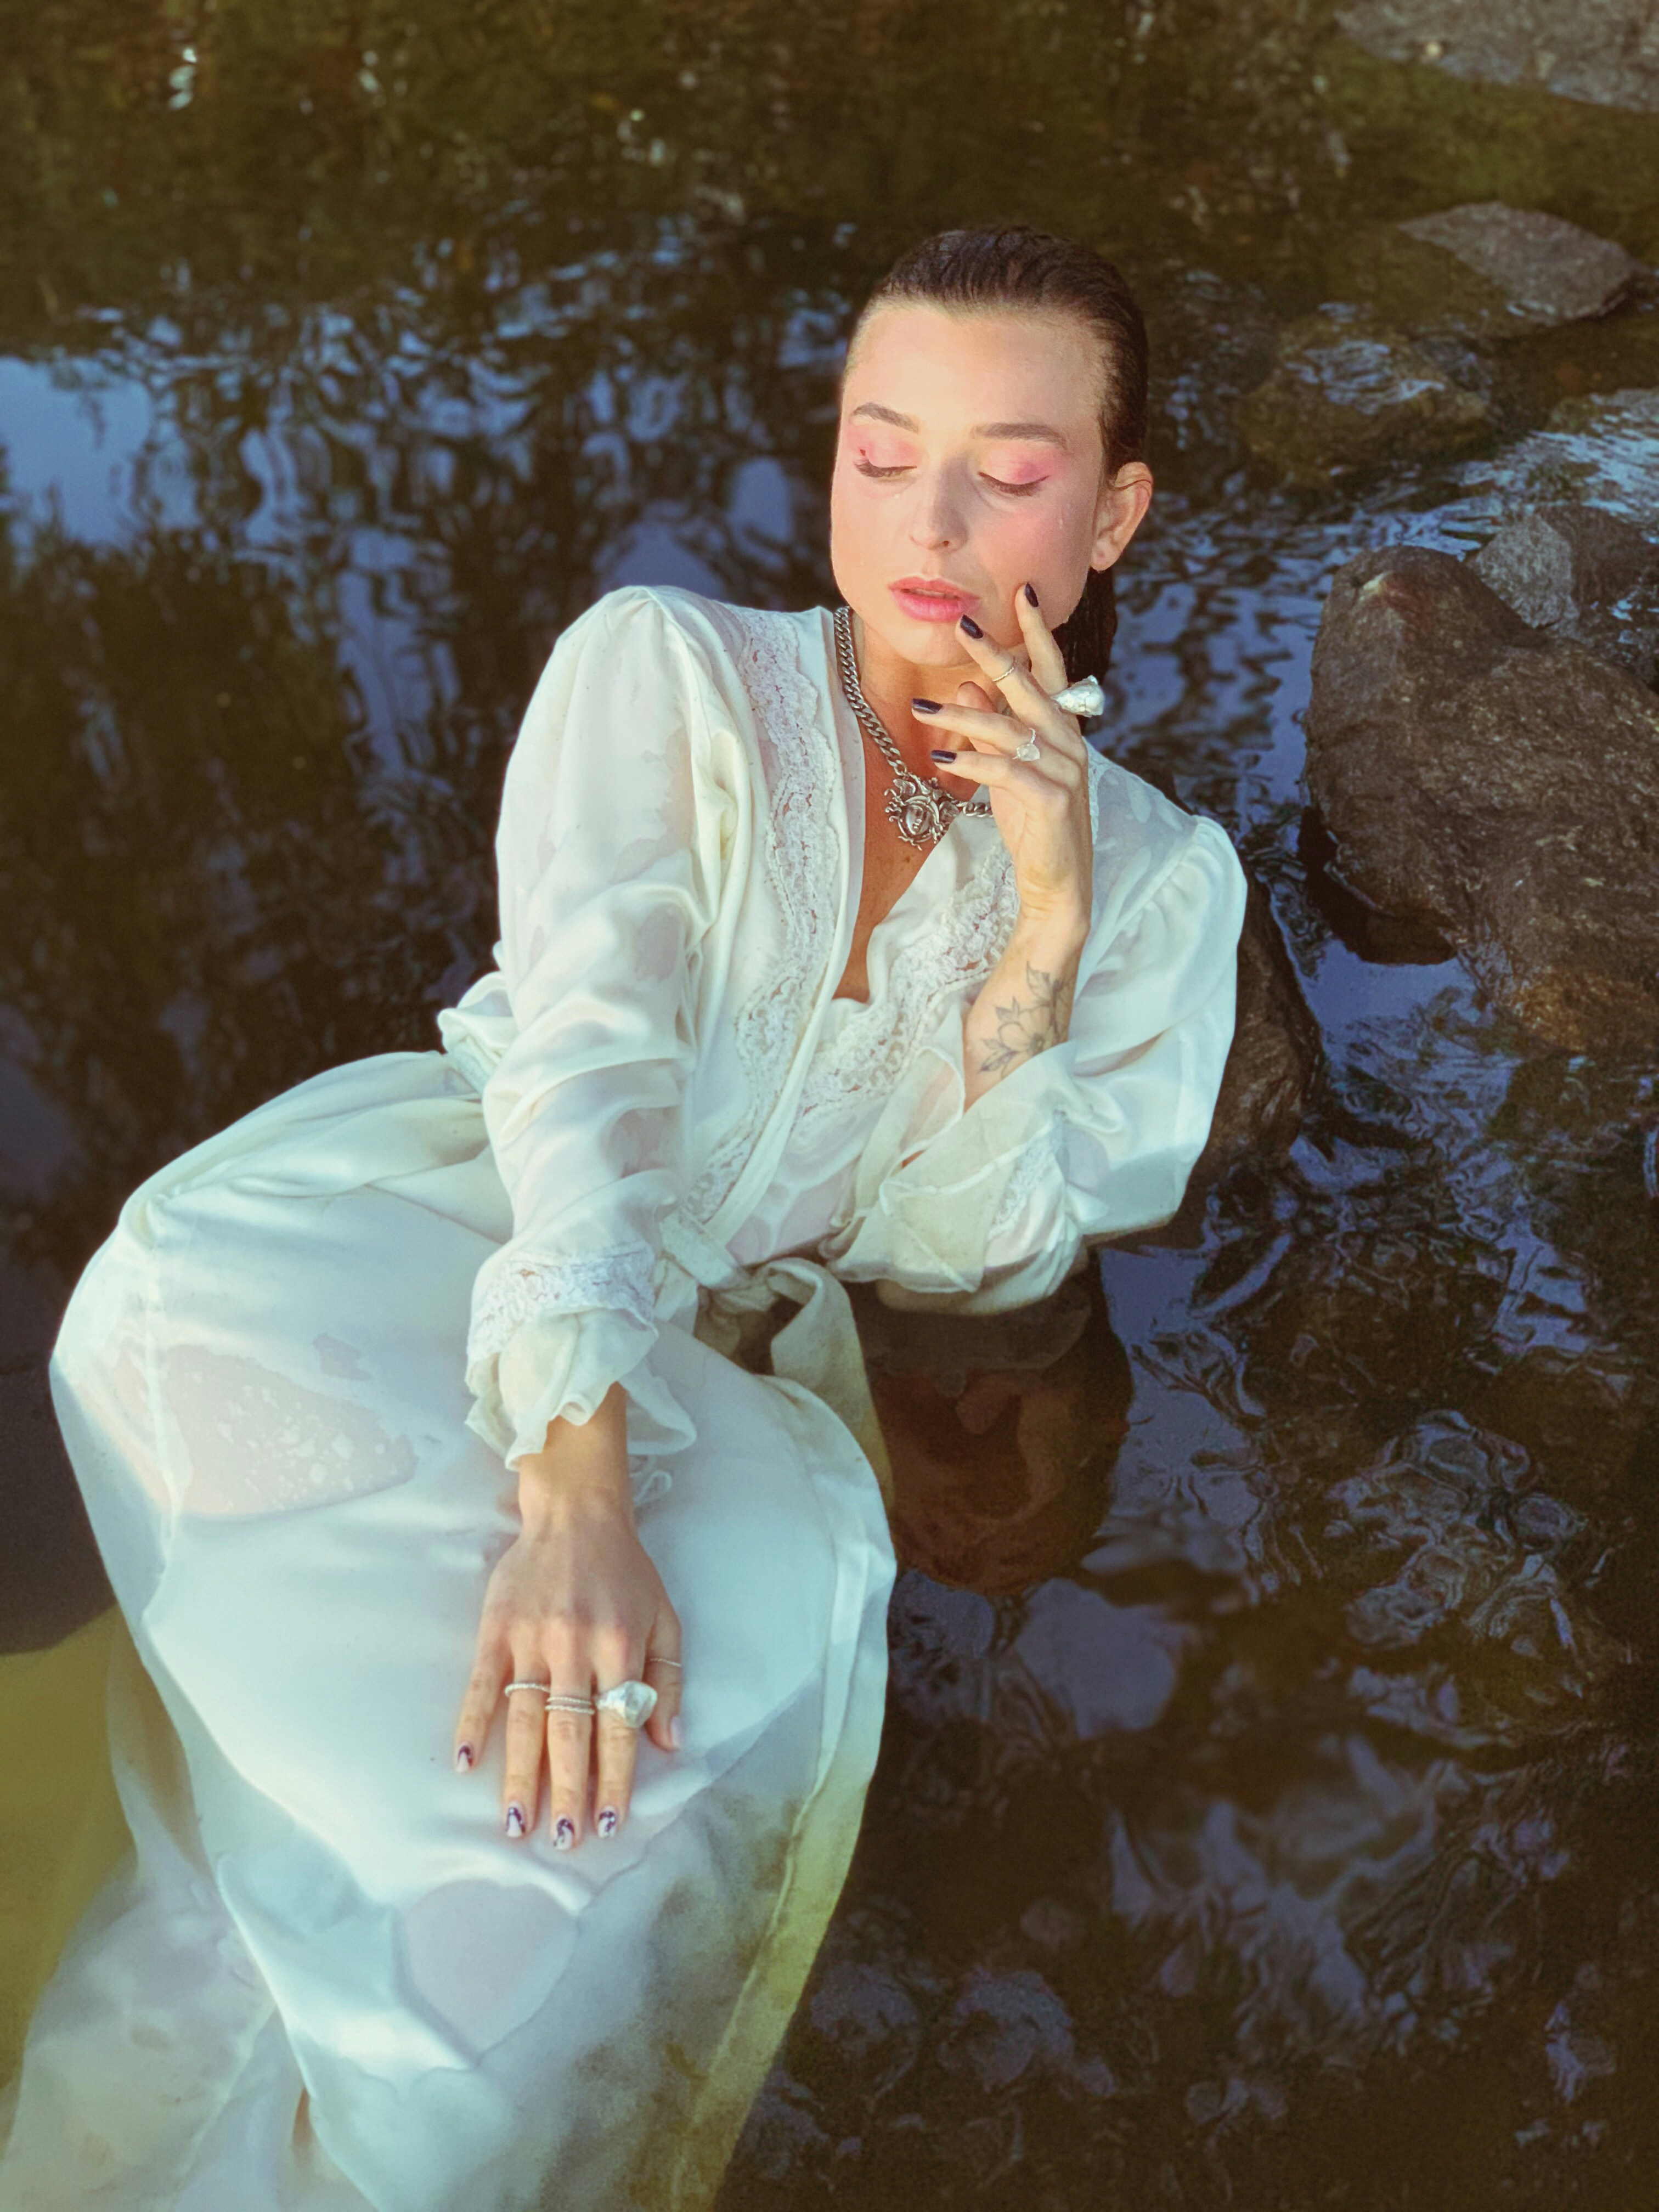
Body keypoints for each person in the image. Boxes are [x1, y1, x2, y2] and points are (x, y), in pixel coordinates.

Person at [0, 222, 1248, 2211]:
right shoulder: (669, 675)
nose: (924, 518)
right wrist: (570, 1488)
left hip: (735, 1383)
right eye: (874, 445)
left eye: (1008, 473)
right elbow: (581, 1064)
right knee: (312, 1845)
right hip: (449, 1259)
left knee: (508, 1922)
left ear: (1113, 511)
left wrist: (1047, 920)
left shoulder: (1169, 895)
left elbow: (962, 1267)